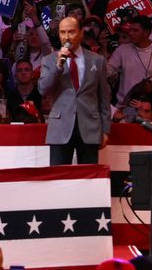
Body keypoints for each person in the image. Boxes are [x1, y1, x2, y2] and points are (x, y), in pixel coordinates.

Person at [39, 16, 111, 165]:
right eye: (62, 32)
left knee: (89, 179)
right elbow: (43, 89)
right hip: (60, 126)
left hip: (90, 127)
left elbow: (103, 97)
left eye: (71, 32)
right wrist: (58, 67)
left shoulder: (97, 60)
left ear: (81, 33)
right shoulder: (49, 60)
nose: (66, 36)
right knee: (58, 179)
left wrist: (105, 130)